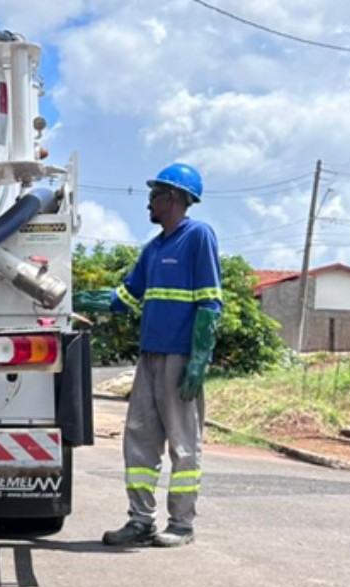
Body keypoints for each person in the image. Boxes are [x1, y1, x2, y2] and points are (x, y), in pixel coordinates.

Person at [72, 162, 222, 549]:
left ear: (173, 197)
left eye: (154, 195)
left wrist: (198, 360)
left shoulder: (198, 236)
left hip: (180, 358)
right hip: (150, 357)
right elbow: (124, 298)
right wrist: (72, 297)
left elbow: (210, 302)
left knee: (183, 444)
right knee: (139, 439)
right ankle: (141, 521)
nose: (149, 203)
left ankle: (182, 524)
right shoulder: (153, 249)